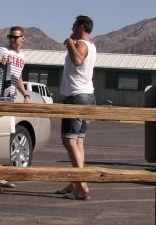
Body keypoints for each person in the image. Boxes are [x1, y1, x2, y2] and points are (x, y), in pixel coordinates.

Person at [0, 26, 30, 192]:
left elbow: (18, 78)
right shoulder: (3, 50)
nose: (12, 40)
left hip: (11, 98)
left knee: (7, 136)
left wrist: (25, 94)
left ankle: (0, 176)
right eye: (10, 37)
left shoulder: (22, 56)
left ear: (22, 39)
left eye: (16, 37)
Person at [56, 15, 96, 200]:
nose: (71, 28)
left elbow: (78, 59)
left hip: (76, 98)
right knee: (78, 142)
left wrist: (69, 43)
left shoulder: (80, 44)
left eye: (73, 25)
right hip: (87, 96)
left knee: (69, 141)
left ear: (80, 26)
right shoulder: (92, 46)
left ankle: (82, 186)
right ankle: (75, 182)